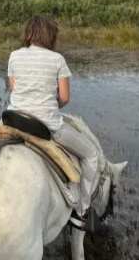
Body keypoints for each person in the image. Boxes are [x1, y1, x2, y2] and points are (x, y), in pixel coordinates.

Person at [6, 15, 100, 231]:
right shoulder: (57, 59)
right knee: (91, 155)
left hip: (13, 118)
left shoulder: (14, 55)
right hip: (45, 125)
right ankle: (81, 212)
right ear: (51, 36)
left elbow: (14, 88)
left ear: (28, 33)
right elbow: (65, 97)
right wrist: (48, 105)